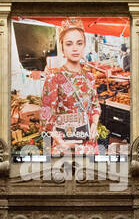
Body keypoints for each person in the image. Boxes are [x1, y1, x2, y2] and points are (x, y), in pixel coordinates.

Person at [39, 20, 103, 156]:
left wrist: (94, 124)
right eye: (69, 44)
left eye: (79, 43)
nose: (75, 48)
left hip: (89, 144)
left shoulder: (89, 77)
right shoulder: (54, 77)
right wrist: (61, 142)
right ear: (62, 48)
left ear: (84, 46)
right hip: (65, 146)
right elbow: (46, 117)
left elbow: (95, 105)